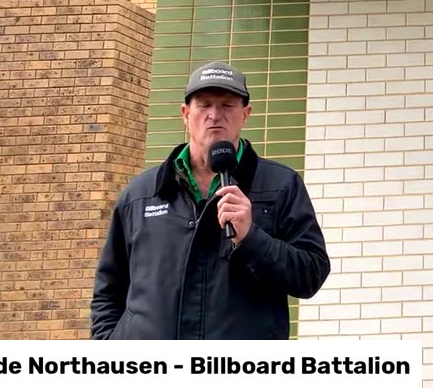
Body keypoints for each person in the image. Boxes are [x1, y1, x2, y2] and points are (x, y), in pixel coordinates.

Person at [91, 61, 330, 339]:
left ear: (245, 114)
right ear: (185, 114)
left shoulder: (281, 185)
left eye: (227, 105)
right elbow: (109, 289)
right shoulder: (141, 193)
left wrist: (251, 238)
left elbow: (311, 273)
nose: (214, 115)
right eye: (204, 105)